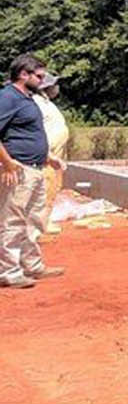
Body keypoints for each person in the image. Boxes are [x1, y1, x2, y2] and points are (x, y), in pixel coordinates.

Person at [0, 54, 66, 288]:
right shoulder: (7, 97)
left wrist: (48, 157)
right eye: (39, 76)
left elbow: (27, 134)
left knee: (33, 220)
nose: (42, 80)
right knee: (12, 220)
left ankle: (32, 265)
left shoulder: (28, 99)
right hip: (19, 170)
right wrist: (7, 163)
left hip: (37, 168)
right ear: (23, 75)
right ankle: (8, 271)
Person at [36, 72, 69, 234]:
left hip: (54, 155)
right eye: (54, 85)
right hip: (45, 156)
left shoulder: (46, 102)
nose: (57, 88)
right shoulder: (37, 103)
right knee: (44, 190)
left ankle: (44, 222)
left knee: (52, 188)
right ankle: (39, 226)